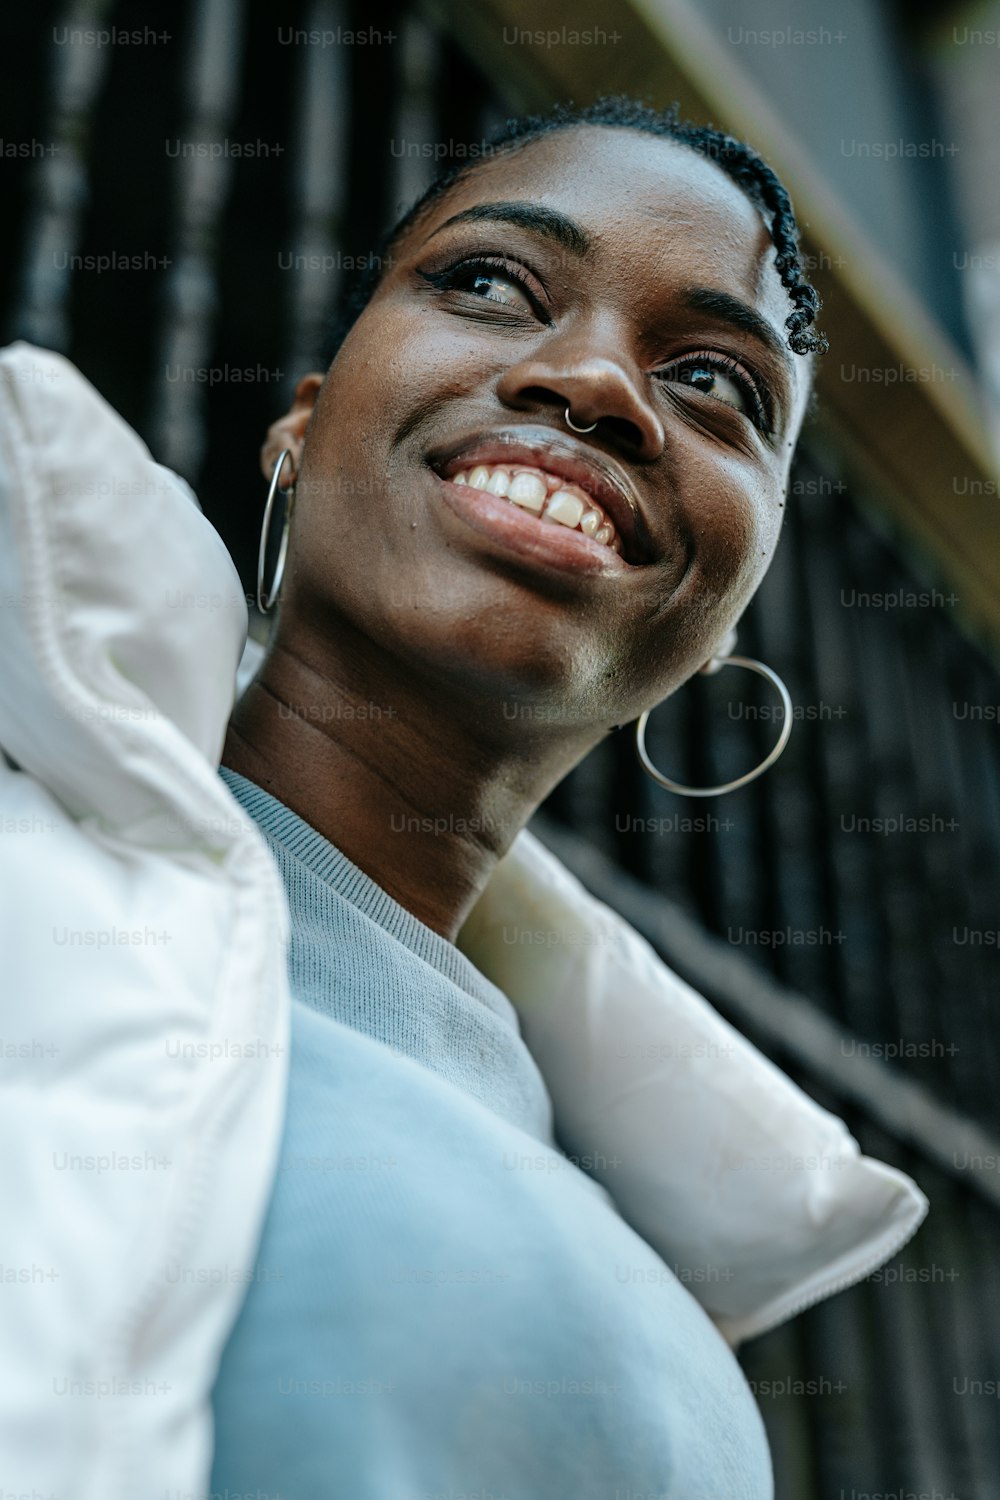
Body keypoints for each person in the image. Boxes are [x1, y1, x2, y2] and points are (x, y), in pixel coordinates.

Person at [206, 97, 824, 1498]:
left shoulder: (639, 1243)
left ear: (728, 617)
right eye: (488, 284)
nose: (596, 384)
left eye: (719, 382)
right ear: (300, 428)